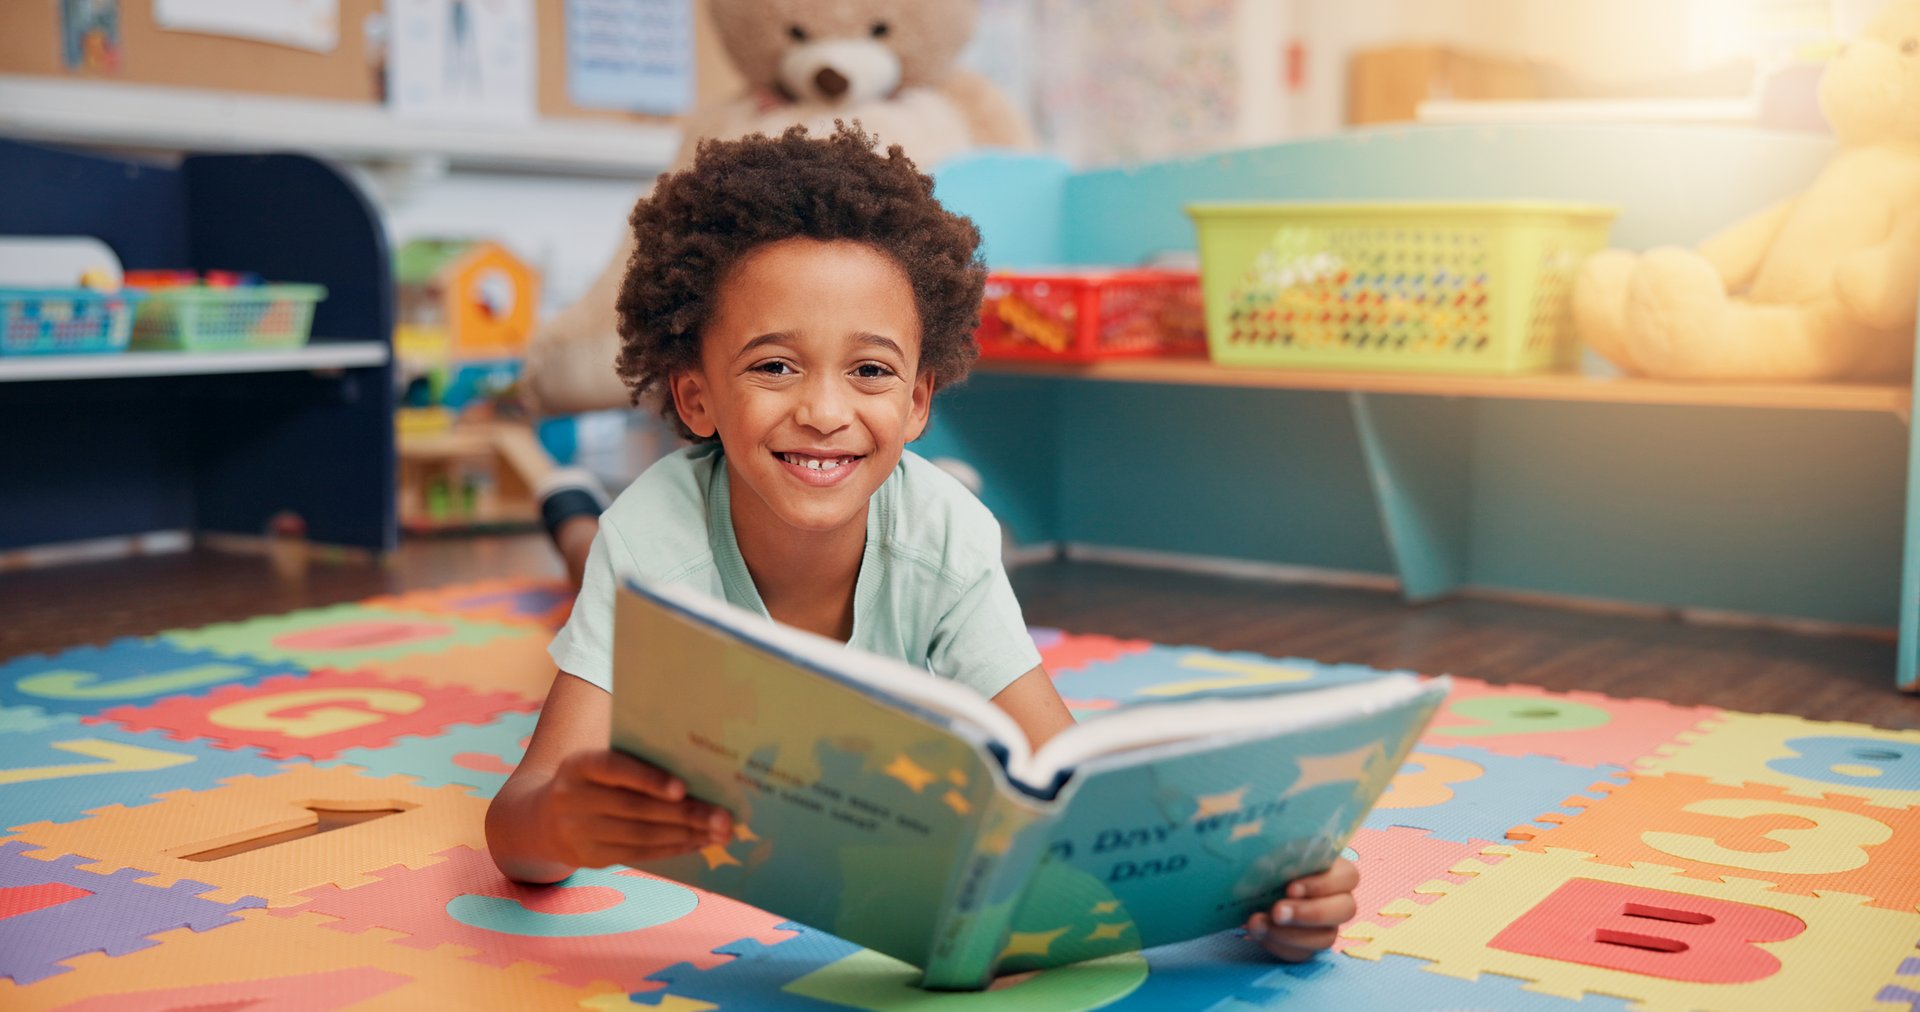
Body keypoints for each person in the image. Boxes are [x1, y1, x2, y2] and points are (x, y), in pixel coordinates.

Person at [484, 122, 1359, 963]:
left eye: (869, 370)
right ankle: (571, 512)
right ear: (695, 397)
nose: (826, 413)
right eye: (774, 365)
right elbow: (515, 826)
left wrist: (1255, 893)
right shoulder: (652, 536)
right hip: (639, 540)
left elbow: (1064, 781)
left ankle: (567, 507)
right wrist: (560, 822)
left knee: (591, 549)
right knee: (592, 551)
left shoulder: (948, 539)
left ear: (917, 402)